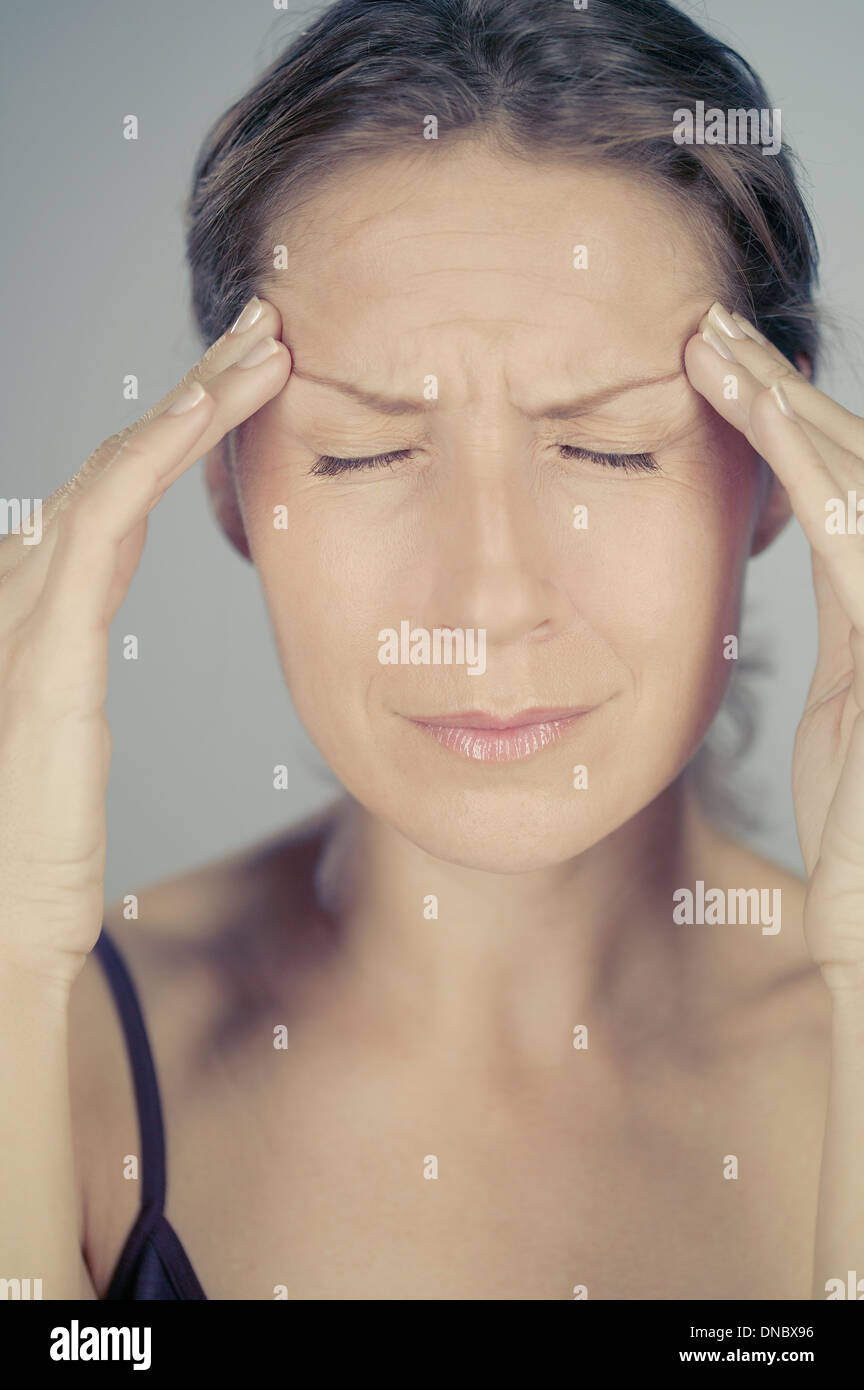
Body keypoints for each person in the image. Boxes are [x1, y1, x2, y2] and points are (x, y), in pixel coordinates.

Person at [2, 0, 863, 1302]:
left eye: (610, 446)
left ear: (779, 468)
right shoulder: (50, 1040)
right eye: (364, 451)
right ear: (224, 477)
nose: (487, 593)